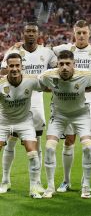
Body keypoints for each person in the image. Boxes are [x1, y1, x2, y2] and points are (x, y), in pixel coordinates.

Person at [52, 20, 91, 193]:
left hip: (90, 101)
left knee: (88, 143)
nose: (81, 36)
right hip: (69, 101)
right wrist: (17, 46)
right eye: (79, 33)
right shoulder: (64, 50)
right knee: (69, 141)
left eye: (84, 32)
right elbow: (43, 52)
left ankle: (86, 182)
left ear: (90, 33)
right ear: (74, 33)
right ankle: (66, 181)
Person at [0, 22, 57, 194]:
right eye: (28, 31)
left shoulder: (47, 52)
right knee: (10, 141)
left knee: (36, 142)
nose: (31, 34)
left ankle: (36, 181)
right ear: (23, 33)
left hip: (36, 99)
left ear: (38, 34)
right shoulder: (13, 52)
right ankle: (5, 180)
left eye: (34, 31)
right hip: (14, 97)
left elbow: (56, 70)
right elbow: (3, 73)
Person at [40, 50, 91, 199]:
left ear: (74, 64)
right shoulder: (48, 75)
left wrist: (84, 89)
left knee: (87, 147)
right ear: (57, 65)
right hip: (59, 115)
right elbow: (39, 84)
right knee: (49, 147)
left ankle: (86, 185)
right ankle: (50, 186)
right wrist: (52, 89)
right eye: (61, 64)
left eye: (68, 64)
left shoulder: (85, 75)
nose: (65, 67)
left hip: (80, 115)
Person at [0, 53, 44, 198]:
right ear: (6, 67)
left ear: (21, 66)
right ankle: (5, 181)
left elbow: (50, 86)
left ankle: (33, 189)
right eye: (11, 66)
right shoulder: (1, 84)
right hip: (4, 122)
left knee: (33, 153)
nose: (14, 68)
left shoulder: (31, 81)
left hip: (24, 121)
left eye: (17, 65)